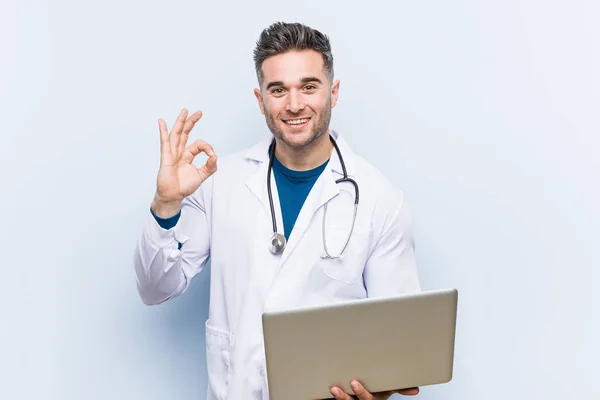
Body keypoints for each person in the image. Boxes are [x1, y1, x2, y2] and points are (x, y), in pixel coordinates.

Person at [134, 22, 421, 400]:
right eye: (278, 90)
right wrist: (166, 203)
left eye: (308, 86)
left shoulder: (380, 199)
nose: (294, 104)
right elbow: (155, 288)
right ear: (260, 99)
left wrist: (376, 391)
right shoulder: (220, 182)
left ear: (333, 92)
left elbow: (399, 349)